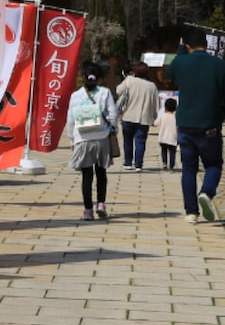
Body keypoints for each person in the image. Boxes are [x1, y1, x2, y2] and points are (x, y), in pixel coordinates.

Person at [163, 24, 225, 224]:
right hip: (210, 126)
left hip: (185, 126)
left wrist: (181, 49)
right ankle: (206, 193)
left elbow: (169, 72)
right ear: (206, 44)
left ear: (187, 44)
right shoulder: (219, 65)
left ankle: (191, 212)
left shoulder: (181, 63)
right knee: (214, 164)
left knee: (188, 169)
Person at [67, 65, 118, 220]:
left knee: (86, 176)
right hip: (101, 137)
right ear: (100, 79)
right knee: (101, 172)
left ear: (83, 77)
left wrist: (72, 138)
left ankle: (88, 210)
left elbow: (70, 119)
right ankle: (101, 203)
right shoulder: (105, 92)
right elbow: (113, 115)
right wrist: (113, 130)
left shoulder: (76, 95)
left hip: (83, 139)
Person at [115, 61, 159, 171]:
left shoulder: (129, 81)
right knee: (140, 141)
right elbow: (155, 103)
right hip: (144, 118)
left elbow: (118, 91)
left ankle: (128, 162)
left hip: (128, 116)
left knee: (127, 140)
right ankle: (138, 164)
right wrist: (154, 117)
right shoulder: (152, 86)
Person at [153, 96, 178, 170]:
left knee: (164, 151)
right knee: (172, 153)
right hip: (173, 138)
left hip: (163, 137)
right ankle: (172, 166)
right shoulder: (176, 117)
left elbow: (155, 123)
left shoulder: (162, 116)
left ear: (165, 107)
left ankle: (164, 163)